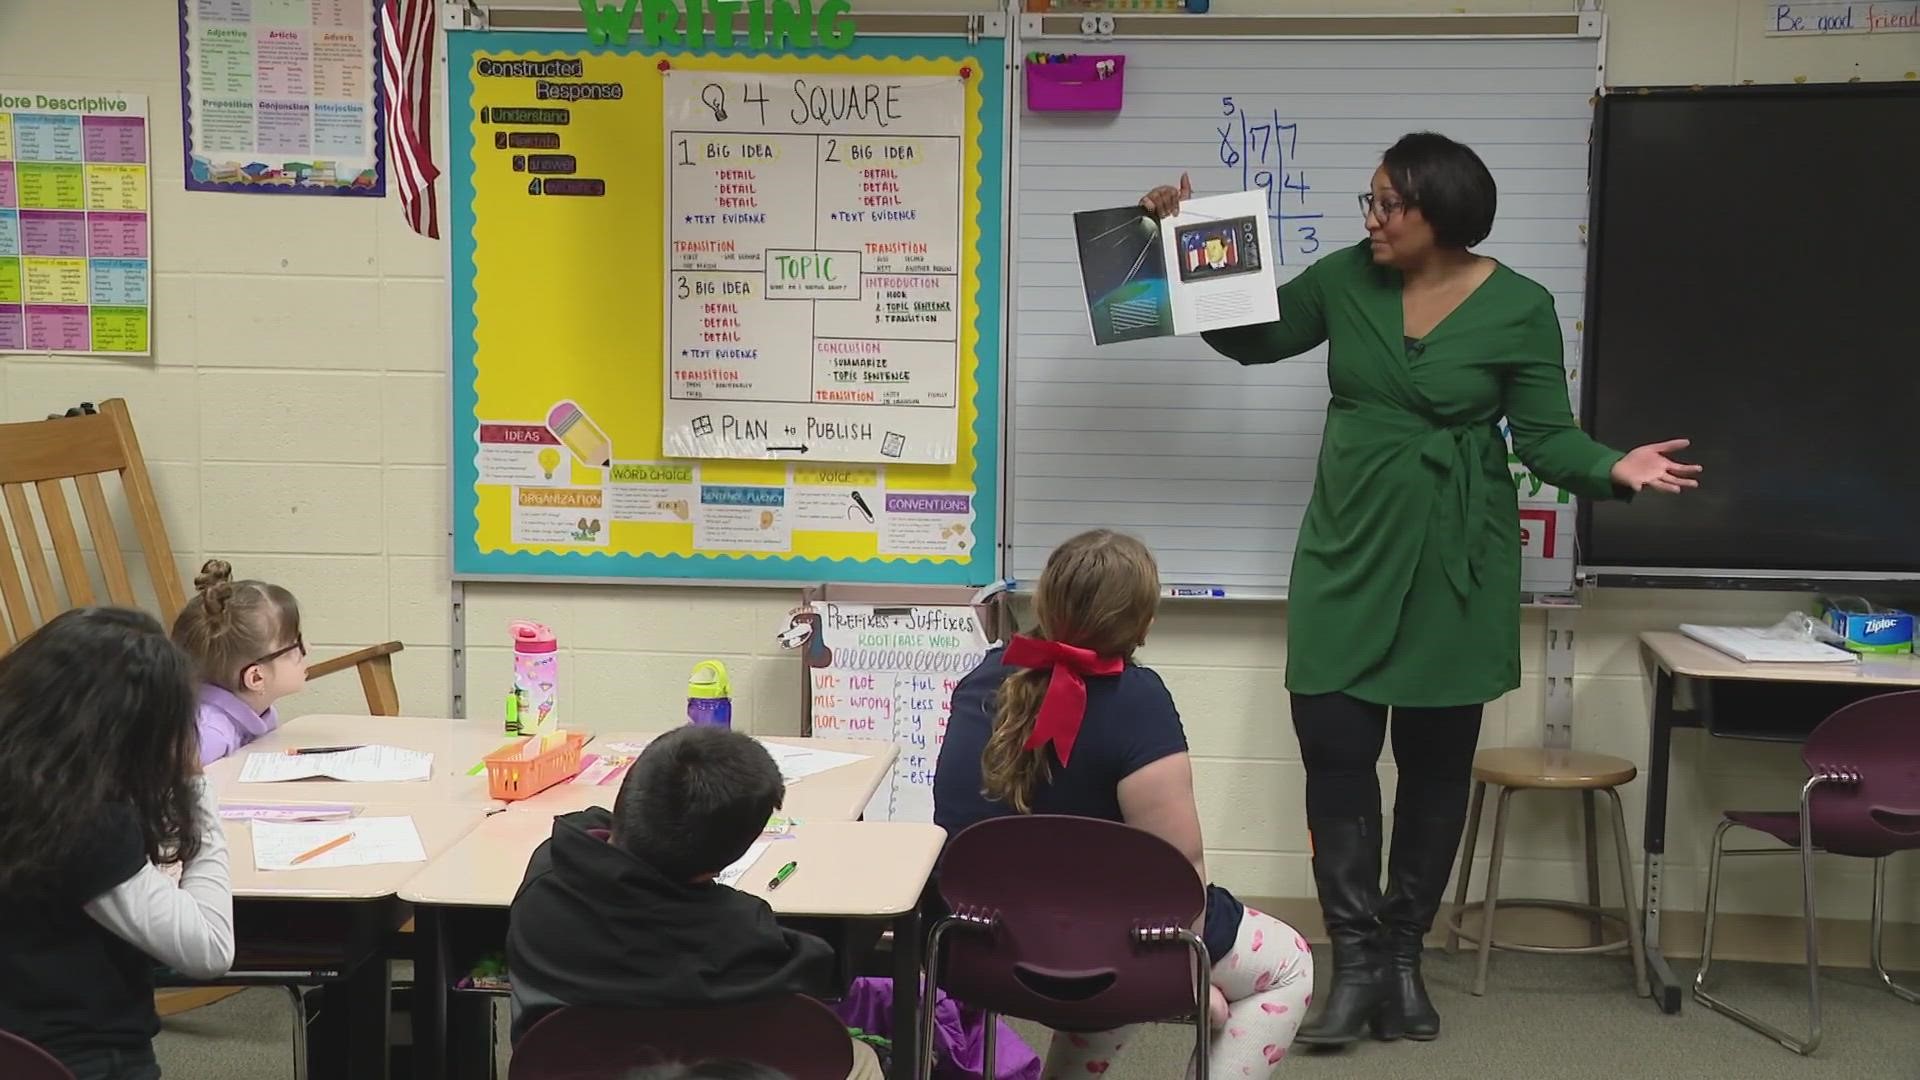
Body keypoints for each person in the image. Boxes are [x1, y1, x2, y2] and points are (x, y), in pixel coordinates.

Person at [1139, 132, 1699, 1045]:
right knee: (1335, 752)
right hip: (1348, 545)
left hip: (1458, 560)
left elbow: (1548, 441)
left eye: (1386, 204)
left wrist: (1613, 467)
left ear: (1439, 212)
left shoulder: (1521, 306)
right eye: (1371, 201)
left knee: (1437, 770)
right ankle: (1354, 965)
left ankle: (1403, 960)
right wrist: (1182, 241)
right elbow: (1254, 338)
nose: (1371, 219)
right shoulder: (1345, 278)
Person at [934, 530, 1314, 1077]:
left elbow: (957, 828)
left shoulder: (980, 682)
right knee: (1289, 964)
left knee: (1108, 919)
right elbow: (1179, 873)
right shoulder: (1138, 701)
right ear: (1143, 622)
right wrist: (1182, 981)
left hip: (979, 949)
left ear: (1044, 602)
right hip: (1100, 953)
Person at [507, 725, 882, 1080]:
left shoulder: (547, 877)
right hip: (714, 1065)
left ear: (628, 794)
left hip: (564, 1064)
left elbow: (592, 824)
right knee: (858, 1058)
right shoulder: (741, 932)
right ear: (736, 852)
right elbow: (818, 964)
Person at [0, 608, 235, 1080]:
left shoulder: (24, 782)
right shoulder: (82, 819)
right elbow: (209, 948)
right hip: (75, 1058)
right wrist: (194, 785)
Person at [169, 559, 308, 765]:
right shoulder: (208, 736)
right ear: (256, 677)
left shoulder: (258, 711)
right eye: (296, 645)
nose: (309, 649)